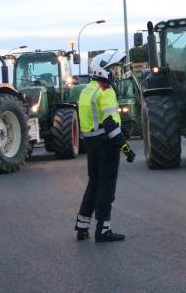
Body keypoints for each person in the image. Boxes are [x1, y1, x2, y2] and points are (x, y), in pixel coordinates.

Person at [75, 53, 136, 243]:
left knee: (93, 185)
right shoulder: (105, 91)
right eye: (112, 69)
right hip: (106, 145)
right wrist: (126, 149)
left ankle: (82, 227)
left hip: (91, 143)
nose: (114, 73)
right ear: (101, 70)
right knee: (106, 189)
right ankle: (103, 230)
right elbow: (110, 125)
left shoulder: (86, 90)